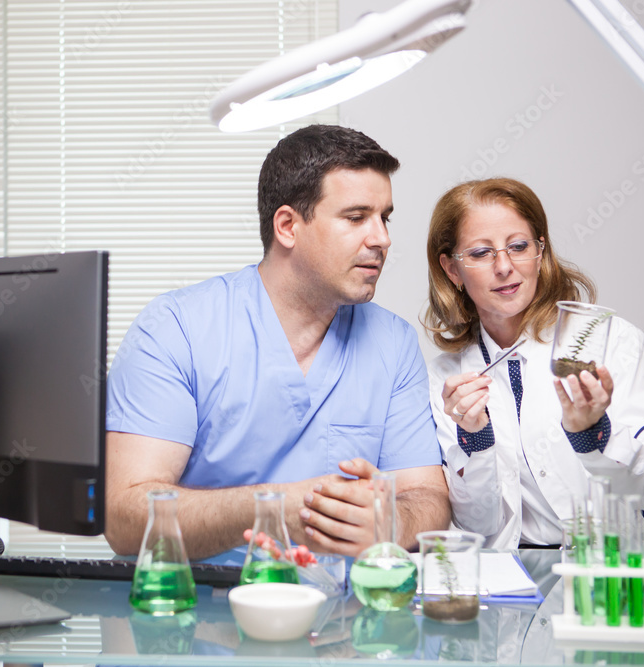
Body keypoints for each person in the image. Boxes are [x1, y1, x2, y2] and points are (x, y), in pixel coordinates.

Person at [105, 124, 451, 560]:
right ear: (287, 226)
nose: (382, 238)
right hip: (206, 599)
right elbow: (124, 518)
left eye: (385, 218)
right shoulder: (175, 329)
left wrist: (393, 522)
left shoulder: (393, 343)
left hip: (340, 601)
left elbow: (428, 497)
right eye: (356, 217)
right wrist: (273, 510)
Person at [423, 177, 644, 549]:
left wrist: (594, 433)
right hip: (516, 574)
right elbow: (477, 523)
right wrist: (476, 439)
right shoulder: (447, 379)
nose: (504, 266)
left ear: (540, 252)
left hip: (614, 567)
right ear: (452, 269)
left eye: (518, 246)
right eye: (481, 253)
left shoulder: (614, 342)